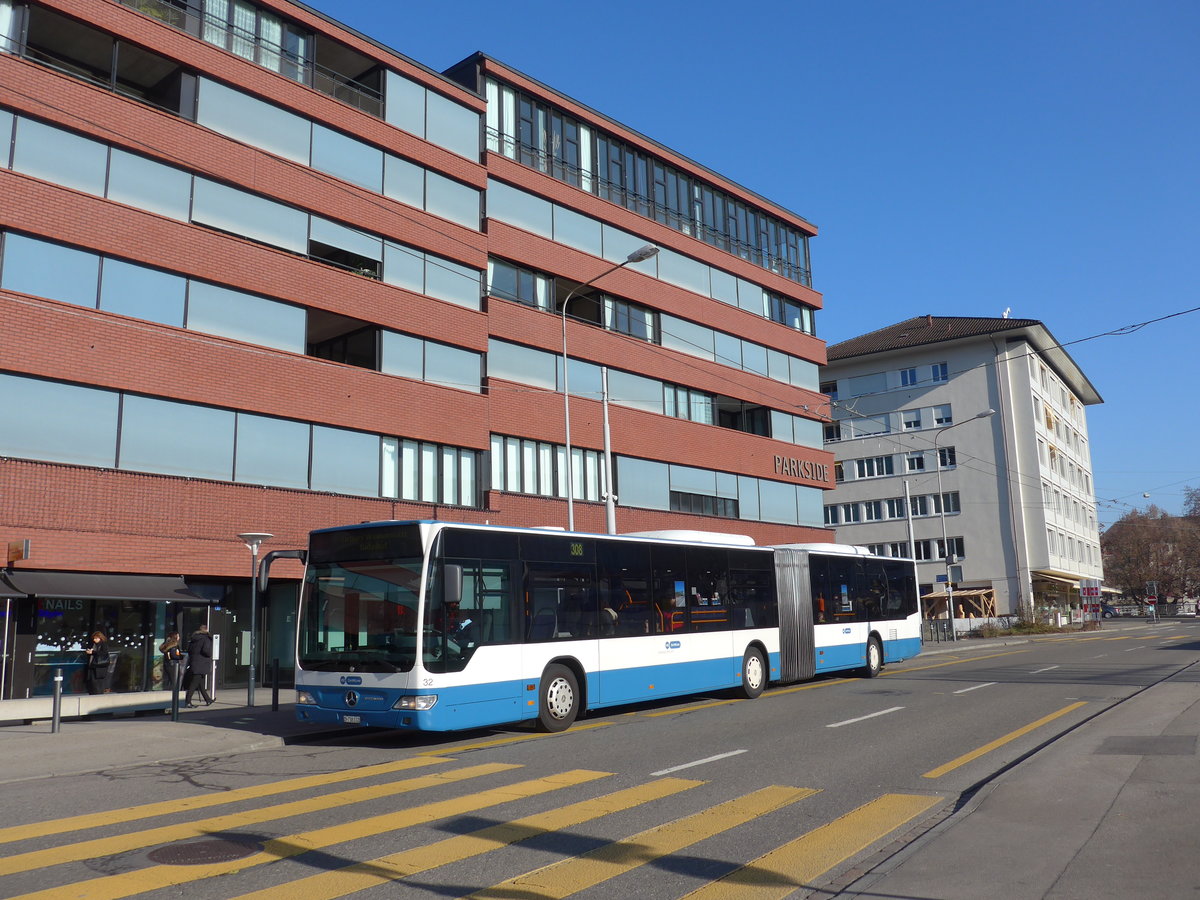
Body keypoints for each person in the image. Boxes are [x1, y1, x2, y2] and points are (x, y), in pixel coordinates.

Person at [183, 624, 214, 707]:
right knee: (194, 683)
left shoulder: (194, 638)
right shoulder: (206, 638)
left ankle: (208, 700)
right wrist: (211, 654)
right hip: (202, 663)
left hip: (194, 662)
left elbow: (189, 650)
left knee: (200, 683)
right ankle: (187, 701)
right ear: (206, 630)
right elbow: (206, 651)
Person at [83, 630, 111, 695]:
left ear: (100, 638)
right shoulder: (95, 645)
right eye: (94, 638)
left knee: (98, 682)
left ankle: (98, 693)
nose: (94, 640)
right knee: (93, 681)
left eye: (96, 638)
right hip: (94, 666)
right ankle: (94, 692)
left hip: (99, 666)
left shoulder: (103, 644)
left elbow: (103, 653)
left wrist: (93, 652)